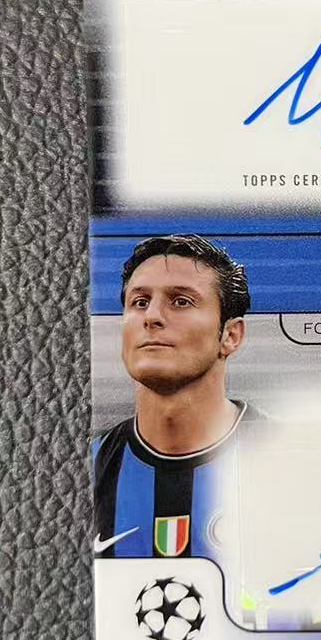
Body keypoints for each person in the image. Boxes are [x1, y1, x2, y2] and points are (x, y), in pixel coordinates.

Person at [91, 233, 251, 559]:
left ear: (230, 335)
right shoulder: (81, 471)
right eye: (139, 302)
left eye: (180, 301)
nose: (151, 316)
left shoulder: (292, 461)